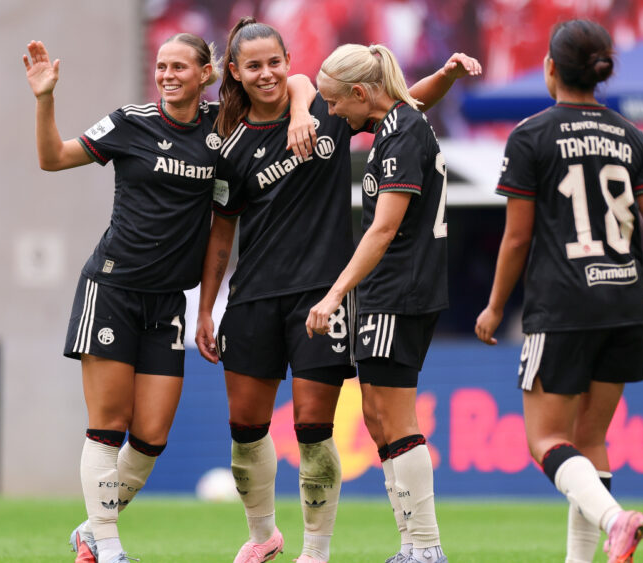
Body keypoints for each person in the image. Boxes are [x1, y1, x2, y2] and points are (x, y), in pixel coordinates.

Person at [195, 19, 480, 563]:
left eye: (276, 62)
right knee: (248, 429)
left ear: (288, 60)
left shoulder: (330, 110)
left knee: (315, 429)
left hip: (328, 296)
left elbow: (402, 105)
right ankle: (264, 538)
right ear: (234, 72)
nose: (267, 74)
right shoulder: (231, 146)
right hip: (254, 296)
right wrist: (207, 307)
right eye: (253, 66)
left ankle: (320, 552)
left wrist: (439, 79)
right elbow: (221, 234)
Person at [22, 34, 313, 563]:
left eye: (180, 66)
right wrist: (45, 99)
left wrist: (300, 113)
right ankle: (107, 545)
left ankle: (92, 528)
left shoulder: (219, 128)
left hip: (167, 305)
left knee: (151, 435)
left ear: (206, 73)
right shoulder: (130, 122)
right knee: (108, 425)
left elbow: (293, 80)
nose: (167, 74)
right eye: (161, 66)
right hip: (112, 289)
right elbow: (52, 159)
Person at [472, 20, 643, 563]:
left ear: (550, 67)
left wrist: (496, 305)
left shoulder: (530, 136)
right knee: (590, 440)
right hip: (622, 303)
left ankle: (618, 519)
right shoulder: (630, 136)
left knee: (545, 442)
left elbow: (517, 236)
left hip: (562, 306)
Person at [304, 43, 460, 563]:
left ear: (360, 93)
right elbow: (414, 96)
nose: (330, 112)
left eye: (333, 101)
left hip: (400, 290)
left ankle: (425, 547)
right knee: (376, 415)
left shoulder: (400, 137)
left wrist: (333, 295)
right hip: (390, 291)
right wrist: (446, 73)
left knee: (395, 419)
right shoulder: (400, 122)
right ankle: (413, 545)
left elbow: (383, 229)